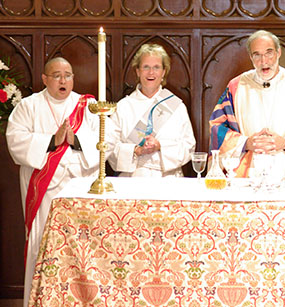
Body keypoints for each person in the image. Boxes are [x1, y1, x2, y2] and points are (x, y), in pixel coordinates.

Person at [6, 57, 102, 307]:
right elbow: (15, 141)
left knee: (79, 252)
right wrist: (52, 141)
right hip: (44, 193)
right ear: (44, 79)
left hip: (79, 191)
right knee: (42, 247)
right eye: (57, 75)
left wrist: (76, 140)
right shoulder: (29, 106)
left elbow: (106, 142)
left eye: (68, 75)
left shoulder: (88, 106)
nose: (63, 80)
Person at [209, 30, 285, 179]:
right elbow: (217, 127)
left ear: (278, 53)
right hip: (246, 172)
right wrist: (246, 143)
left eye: (269, 53)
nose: (264, 61)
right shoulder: (236, 86)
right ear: (251, 57)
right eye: (257, 55)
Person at [108, 43, 195, 177]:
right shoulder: (123, 106)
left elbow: (189, 146)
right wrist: (135, 150)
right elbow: (109, 147)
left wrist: (160, 146)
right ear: (137, 71)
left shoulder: (176, 106)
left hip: (168, 178)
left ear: (163, 72)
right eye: (146, 67)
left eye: (156, 67)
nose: (151, 72)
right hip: (133, 178)